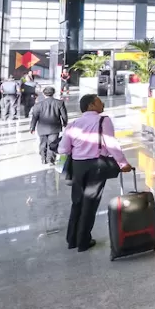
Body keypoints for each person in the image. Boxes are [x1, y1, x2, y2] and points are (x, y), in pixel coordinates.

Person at [59, 95, 132, 251]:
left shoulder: (73, 124)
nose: (102, 103)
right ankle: (84, 241)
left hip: (77, 166)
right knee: (90, 204)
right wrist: (122, 163)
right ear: (91, 105)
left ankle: (72, 240)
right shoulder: (102, 120)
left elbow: (63, 149)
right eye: (99, 101)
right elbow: (111, 143)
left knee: (77, 202)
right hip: (96, 166)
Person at [29, 86, 68, 165]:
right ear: (53, 93)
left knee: (42, 143)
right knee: (53, 143)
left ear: (43, 94)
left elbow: (34, 117)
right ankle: (50, 160)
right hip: (55, 128)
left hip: (42, 128)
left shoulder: (38, 105)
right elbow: (64, 115)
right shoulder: (59, 103)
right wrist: (65, 123)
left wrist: (32, 127)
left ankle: (43, 158)